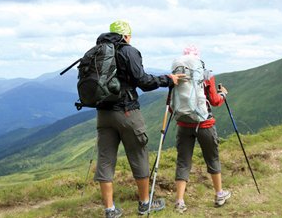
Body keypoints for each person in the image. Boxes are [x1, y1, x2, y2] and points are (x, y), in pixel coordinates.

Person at [93, 20, 184, 218]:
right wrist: (167, 80)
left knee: (105, 160)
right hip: (127, 112)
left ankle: (109, 210)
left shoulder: (98, 52)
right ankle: (144, 203)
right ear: (126, 35)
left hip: (103, 114)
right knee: (138, 155)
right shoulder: (128, 51)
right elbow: (142, 81)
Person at [172, 45, 231, 213]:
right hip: (205, 124)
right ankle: (219, 194)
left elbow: (171, 103)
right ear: (198, 58)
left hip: (183, 125)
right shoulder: (205, 74)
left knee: (183, 162)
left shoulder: (178, 74)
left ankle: (180, 202)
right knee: (212, 158)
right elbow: (214, 100)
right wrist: (223, 95)